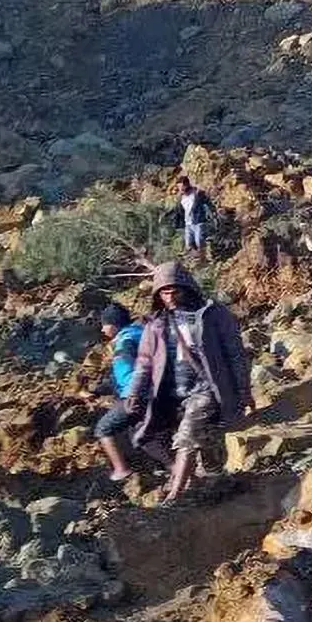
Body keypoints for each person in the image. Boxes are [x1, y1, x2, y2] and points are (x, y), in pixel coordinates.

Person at [123, 262, 252, 504]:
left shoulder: (212, 315)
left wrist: (244, 391)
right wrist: (135, 393)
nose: (170, 297)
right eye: (164, 292)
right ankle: (216, 477)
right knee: (205, 437)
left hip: (207, 388)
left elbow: (235, 354)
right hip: (172, 394)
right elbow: (144, 363)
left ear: (187, 288)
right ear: (158, 294)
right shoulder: (156, 325)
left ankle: (176, 494)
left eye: (175, 291)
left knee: (187, 435)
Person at [92, 302, 167, 482]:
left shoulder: (125, 342)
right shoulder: (141, 335)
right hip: (159, 391)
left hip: (137, 395)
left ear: (114, 324)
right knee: (140, 435)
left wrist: (130, 395)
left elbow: (127, 373)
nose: (102, 329)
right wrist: (99, 390)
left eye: (104, 324)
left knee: (103, 429)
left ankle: (121, 470)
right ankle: (170, 467)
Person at [172, 176, 215, 260]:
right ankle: (197, 258)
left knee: (199, 242)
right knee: (189, 245)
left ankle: (204, 258)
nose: (180, 189)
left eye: (182, 187)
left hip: (199, 222)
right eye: (179, 187)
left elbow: (208, 203)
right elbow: (179, 211)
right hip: (188, 224)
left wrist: (213, 213)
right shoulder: (181, 198)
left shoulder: (197, 194)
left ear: (187, 185)